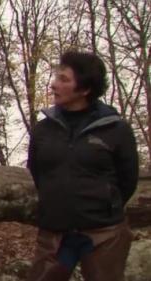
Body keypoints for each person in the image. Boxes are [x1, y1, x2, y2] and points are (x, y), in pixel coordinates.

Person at [26, 51, 139, 281]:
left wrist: (102, 206)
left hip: (104, 234)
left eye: (64, 80)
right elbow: (37, 173)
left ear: (85, 89)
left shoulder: (116, 130)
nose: (54, 84)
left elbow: (127, 180)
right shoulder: (42, 130)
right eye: (56, 77)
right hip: (54, 233)